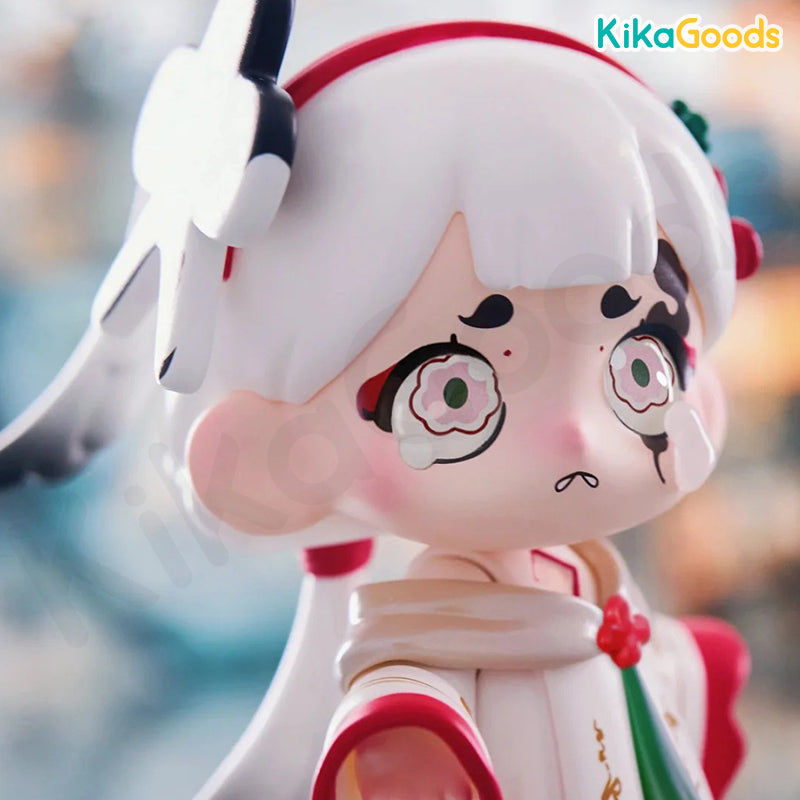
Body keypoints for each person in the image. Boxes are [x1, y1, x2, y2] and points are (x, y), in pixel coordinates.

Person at [0, 7, 760, 800]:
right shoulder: (424, 647)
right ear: (282, 452)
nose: (576, 433)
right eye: (456, 390)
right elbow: (404, 712)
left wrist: (686, 669)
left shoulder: (594, 590)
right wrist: (408, 746)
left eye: (641, 365)